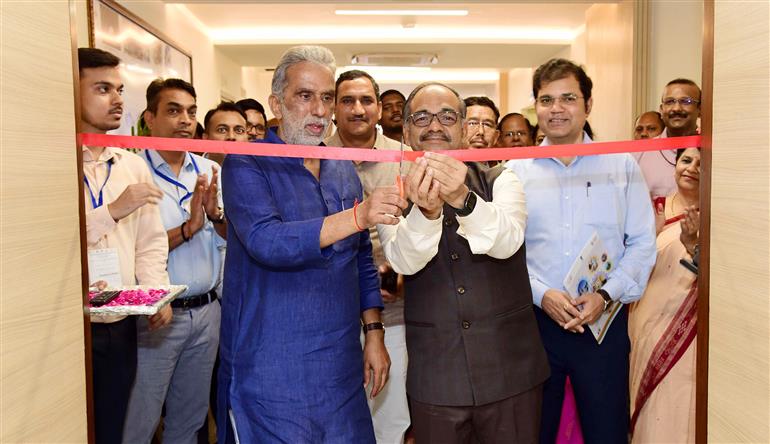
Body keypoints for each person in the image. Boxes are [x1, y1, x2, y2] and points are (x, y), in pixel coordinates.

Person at [219, 45, 402, 443]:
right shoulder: (246, 162)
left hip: (340, 368)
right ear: (276, 102)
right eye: (305, 96)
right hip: (271, 365)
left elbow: (361, 260)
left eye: (326, 98)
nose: (320, 110)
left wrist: (373, 332)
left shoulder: (340, 166)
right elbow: (267, 241)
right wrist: (357, 216)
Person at [378, 82, 550, 443]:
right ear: (407, 131)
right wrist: (425, 213)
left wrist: (462, 198)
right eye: (421, 117)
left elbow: (507, 241)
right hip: (436, 377)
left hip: (510, 373)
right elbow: (403, 261)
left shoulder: (502, 179)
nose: (435, 126)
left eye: (447, 117)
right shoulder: (392, 195)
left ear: (463, 128)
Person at [506, 58, 656, 443]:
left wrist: (606, 296)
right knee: (532, 432)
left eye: (568, 98)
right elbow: (505, 252)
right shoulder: (514, 172)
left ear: (588, 105)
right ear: (535, 107)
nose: (556, 109)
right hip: (537, 324)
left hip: (602, 326)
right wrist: (543, 294)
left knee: (607, 431)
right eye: (546, 99)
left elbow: (641, 243)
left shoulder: (621, 164)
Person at [123, 78, 226, 444]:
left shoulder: (209, 170)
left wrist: (214, 218)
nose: (185, 120)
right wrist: (187, 228)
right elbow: (131, 250)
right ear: (149, 118)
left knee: (190, 419)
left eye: (191, 111)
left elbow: (228, 237)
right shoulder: (130, 171)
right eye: (173, 110)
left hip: (207, 312)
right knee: (141, 418)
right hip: (158, 317)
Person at [78, 47, 172, 443]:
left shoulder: (130, 164)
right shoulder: (47, 160)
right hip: (73, 325)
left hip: (119, 321)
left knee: (113, 427)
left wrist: (157, 293)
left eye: (119, 88)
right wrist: (112, 211)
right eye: (102, 88)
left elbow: (149, 242)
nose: (118, 99)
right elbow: (49, 244)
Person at [325, 69, 412, 444]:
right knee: (336, 419)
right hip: (330, 316)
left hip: (393, 313)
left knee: (390, 417)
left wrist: (402, 271)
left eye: (365, 100)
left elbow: (426, 230)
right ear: (333, 108)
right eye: (347, 100)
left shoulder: (405, 158)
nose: (357, 109)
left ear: (378, 107)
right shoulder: (312, 157)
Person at [629, 147, 700, 443]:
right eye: (686, 160)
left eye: (701, 163)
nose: (692, 168)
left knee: (676, 401)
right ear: (675, 164)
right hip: (645, 318)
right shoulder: (651, 209)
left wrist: (694, 244)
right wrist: (648, 237)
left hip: (686, 326)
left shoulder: (717, 217)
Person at [635, 79, 702, 198]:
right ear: (661, 110)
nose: (676, 108)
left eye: (686, 101)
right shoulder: (639, 154)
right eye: (670, 101)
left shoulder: (711, 152)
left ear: (700, 109)